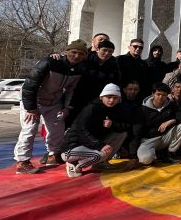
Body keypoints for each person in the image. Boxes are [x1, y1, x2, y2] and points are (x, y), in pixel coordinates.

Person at [14, 39, 89, 174]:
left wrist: (67, 107)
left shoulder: (80, 69)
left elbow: (71, 90)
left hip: (53, 102)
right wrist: (31, 108)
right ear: (66, 51)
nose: (76, 56)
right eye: (74, 52)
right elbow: (30, 85)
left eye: (81, 54)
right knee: (29, 129)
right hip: (34, 101)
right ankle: (22, 161)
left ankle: (52, 155)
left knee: (57, 130)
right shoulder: (49, 62)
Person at [61, 83, 130, 178]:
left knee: (121, 134)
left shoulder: (115, 109)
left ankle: (100, 163)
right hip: (72, 147)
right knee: (101, 154)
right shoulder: (91, 109)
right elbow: (82, 132)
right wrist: (100, 146)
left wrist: (112, 124)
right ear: (101, 97)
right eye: (109, 97)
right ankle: (74, 164)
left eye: (115, 98)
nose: (111, 100)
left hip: (91, 145)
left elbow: (126, 125)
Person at [128, 82, 181, 168]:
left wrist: (172, 121)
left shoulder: (171, 105)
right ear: (153, 94)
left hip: (164, 137)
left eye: (164, 95)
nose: (161, 97)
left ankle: (169, 154)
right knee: (145, 159)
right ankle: (156, 154)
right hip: (148, 140)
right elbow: (136, 132)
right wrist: (132, 156)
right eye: (158, 94)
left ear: (167, 95)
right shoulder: (142, 109)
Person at [73, 39, 122, 116]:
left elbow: (116, 81)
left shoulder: (114, 63)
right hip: (81, 95)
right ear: (97, 49)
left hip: (100, 98)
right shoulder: (86, 59)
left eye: (110, 51)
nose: (107, 53)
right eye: (104, 50)